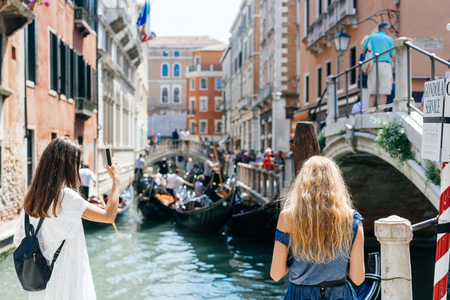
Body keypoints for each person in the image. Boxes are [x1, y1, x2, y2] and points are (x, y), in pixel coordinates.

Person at [14, 137, 121, 300]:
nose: (78, 167)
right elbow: (109, 216)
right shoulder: (67, 198)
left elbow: (19, 241)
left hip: (40, 288)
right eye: (77, 163)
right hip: (66, 286)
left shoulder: (32, 197)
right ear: (68, 165)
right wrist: (116, 180)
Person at [270, 156, 364, 299]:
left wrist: (298, 269)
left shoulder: (288, 217)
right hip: (340, 294)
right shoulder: (352, 219)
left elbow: (276, 274)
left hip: (300, 294)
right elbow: (357, 278)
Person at [363, 22, 396, 109]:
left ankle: (369, 112)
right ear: (385, 29)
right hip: (385, 65)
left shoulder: (371, 37)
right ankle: (380, 111)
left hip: (372, 65)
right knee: (384, 91)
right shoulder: (390, 39)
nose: (389, 31)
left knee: (372, 92)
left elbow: (364, 50)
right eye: (389, 29)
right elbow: (393, 55)